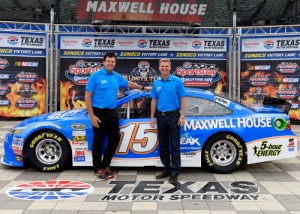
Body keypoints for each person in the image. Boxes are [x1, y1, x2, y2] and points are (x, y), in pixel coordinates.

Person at [85, 52, 151, 180]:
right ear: (104, 62)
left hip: (112, 112)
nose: (110, 63)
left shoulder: (116, 76)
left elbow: (129, 84)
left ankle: (105, 165)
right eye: (108, 61)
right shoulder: (95, 76)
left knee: (114, 139)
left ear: (115, 63)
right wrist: (92, 116)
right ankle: (97, 168)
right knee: (98, 142)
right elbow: (87, 96)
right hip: (98, 112)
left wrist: (143, 89)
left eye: (113, 61)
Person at [150, 58, 186, 183]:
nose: (164, 68)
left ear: (170, 68)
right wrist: (152, 117)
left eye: (166, 66)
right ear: (159, 68)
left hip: (174, 116)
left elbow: (183, 99)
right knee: (163, 145)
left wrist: (182, 116)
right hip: (160, 116)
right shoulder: (156, 83)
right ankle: (167, 168)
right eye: (162, 66)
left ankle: (175, 172)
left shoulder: (177, 81)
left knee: (175, 145)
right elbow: (154, 100)